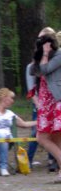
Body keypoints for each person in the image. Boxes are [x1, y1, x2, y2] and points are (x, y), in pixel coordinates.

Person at [0, 88, 36, 176]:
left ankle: (3, 167)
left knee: (2, 136)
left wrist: (39, 122)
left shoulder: (10, 113)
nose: (12, 101)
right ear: (4, 97)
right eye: (11, 98)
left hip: (5, 137)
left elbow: (24, 124)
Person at [30, 33, 61, 182]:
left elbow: (44, 69)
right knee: (55, 138)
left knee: (41, 137)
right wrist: (39, 55)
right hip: (46, 102)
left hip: (55, 101)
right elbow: (32, 70)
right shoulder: (46, 57)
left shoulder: (59, 55)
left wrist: (45, 54)